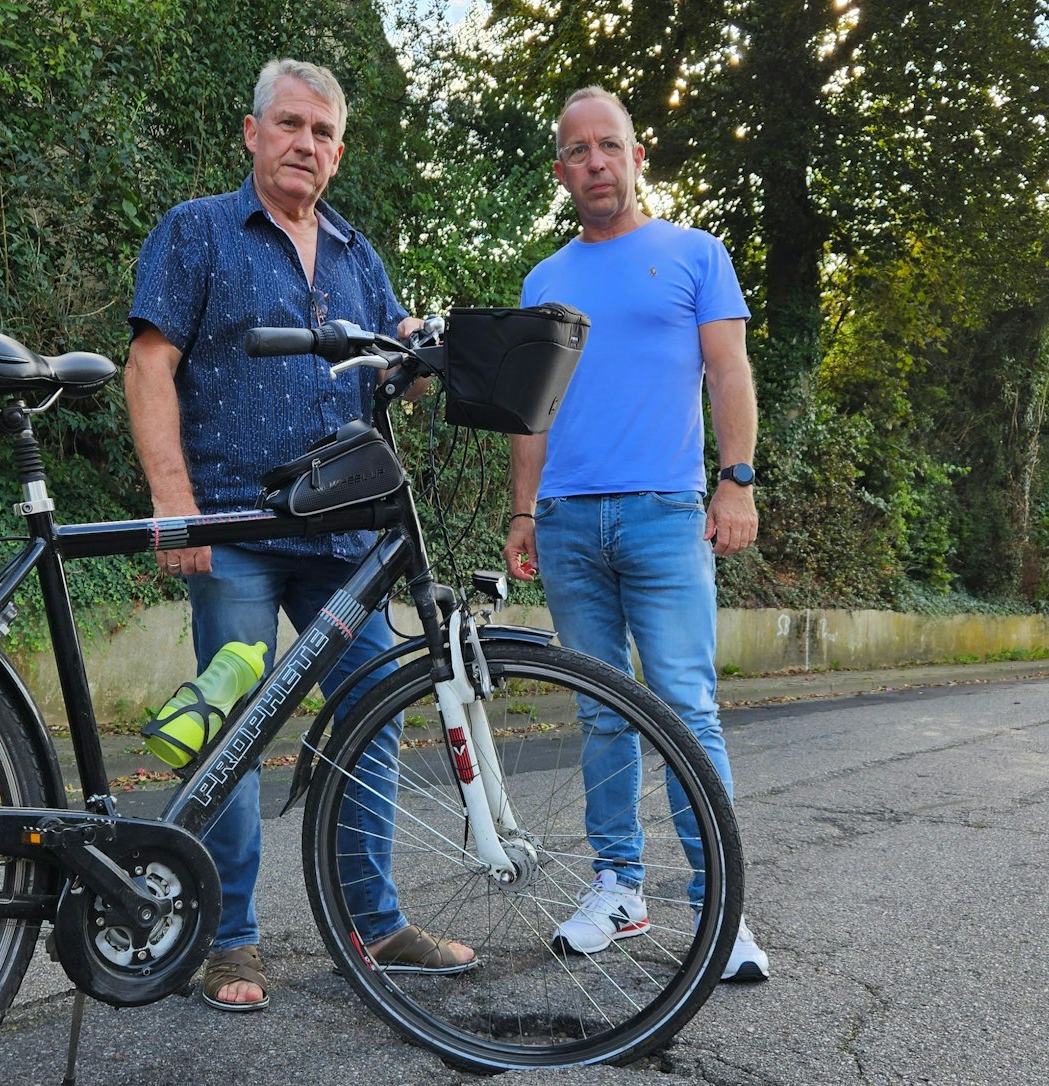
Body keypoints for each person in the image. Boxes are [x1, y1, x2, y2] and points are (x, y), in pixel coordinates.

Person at [124, 58, 475, 1012]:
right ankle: (226, 938)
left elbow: (393, 356)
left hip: (345, 534)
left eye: (321, 134)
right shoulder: (196, 230)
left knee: (371, 717)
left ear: (339, 151)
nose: (304, 145)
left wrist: (425, 351)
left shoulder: (361, 255)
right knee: (233, 726)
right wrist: (174, 503)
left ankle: (377, 921)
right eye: (288, 126)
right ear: (252, 133)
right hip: (233, 523)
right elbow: (150, 365)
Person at [501, 86, 768, 982]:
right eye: (576, 151)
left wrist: (735, 483)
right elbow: (527, 412)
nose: (595, 163)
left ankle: (721, 911)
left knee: (688, 710)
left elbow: (729, 372)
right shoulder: (544, 280)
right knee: (602, 713)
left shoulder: (694, 255)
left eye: (607, 145)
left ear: (636, 153)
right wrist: (521, 511)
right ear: (561, 170)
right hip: (570, 521)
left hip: (664, 513)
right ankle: (617, 885)